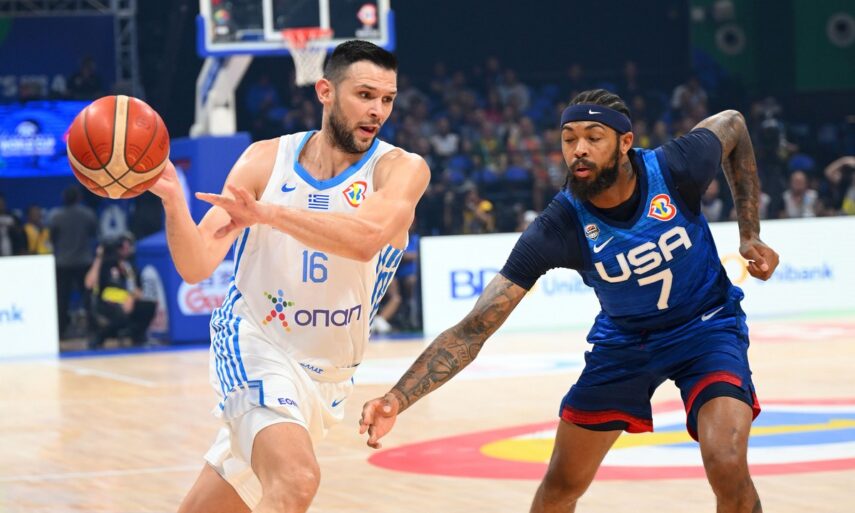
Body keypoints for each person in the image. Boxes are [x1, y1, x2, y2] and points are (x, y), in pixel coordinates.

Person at [361, 89, 779, 513]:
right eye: (568, 139)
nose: (578, 149)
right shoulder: (559, 226)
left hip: (706, 327)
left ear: (625, 142)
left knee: (726, 462)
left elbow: (733, 123)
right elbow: (475, 328)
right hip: (626, 343)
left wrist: (750, 233)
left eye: (593, 137)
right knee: (561, 485)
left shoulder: (675, 167)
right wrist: (397, 398)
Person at [148, 40, 429, 513]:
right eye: (365, 95)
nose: (377, 110)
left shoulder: (400, 169)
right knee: (297, 480)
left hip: (328, 378)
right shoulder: (264, 160)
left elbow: (364, 239)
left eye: (387, 99)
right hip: (256, 344)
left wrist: (268, 214)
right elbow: (196, 266)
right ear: (325, 91)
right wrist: (175, 202)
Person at [84, 233, 156, 348]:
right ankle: (100, 336)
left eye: (128, 246)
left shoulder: (130, 267)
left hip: (128, 300)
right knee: (118, 312)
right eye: (122, 246)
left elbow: (138, 290)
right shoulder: (105, 264)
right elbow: (89, 284)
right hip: (107, 302)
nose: (125, 249)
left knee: (148, 306)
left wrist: (132, 297)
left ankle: (137, 336)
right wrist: (99, 257)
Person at [50, 186, 98, 337]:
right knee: (88, 297)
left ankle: (61, 330)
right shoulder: (87, 214)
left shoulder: (55, 216)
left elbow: (52, 237)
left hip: (63, 262)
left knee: (62, 298)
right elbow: (93, 233)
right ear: (79, 198)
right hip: (83, 261)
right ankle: (93, 327)